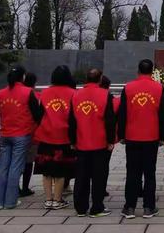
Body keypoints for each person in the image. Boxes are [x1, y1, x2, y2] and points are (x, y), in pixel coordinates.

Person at [118, 59, 164, 219]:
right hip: (151, 136)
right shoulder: (159, 88)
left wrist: (122, 135)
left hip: (132, 136)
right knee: (149, 173)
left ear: (138, 71)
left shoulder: (129, 87)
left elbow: (123, 113)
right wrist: (162, 136)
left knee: (132, 172)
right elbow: (163, 115)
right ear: (152, 71)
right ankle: (148, 207)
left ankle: (130, 207)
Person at [69, 68, 115, 218]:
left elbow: (72, 120)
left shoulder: (76, 95)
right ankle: (97, 207)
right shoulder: (105, 95)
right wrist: (110, 140)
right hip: (99, 143)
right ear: (100, 79)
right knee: (98, 177)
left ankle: (81, 208)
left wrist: (72, 140)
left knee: (81, 176)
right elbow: (109, 120)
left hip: (81, 142)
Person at [0, 66, 41, 209]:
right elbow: (37, 114)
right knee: (16, 167)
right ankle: (10, 201)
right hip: (22, 134)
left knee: (3, 167)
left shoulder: (0, 93)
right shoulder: (28, 92)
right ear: (23, 77)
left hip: (5, 134)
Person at [34, 65, 76, 210]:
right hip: (64, 136)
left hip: (46, 135)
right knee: (60, 170)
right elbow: (73, 118)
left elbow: (40, 115)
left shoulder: (45, 93)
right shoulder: (73, 93)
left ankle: (48, 199)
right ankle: (58, 200)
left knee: (46, 170)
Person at [20, 72, 39, 198]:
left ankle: (14, 186)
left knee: (16, 161)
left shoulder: (17, 93)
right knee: (28, 162)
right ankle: (25, 187)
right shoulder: (34, 94)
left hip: (14, 132)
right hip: (31, 132)